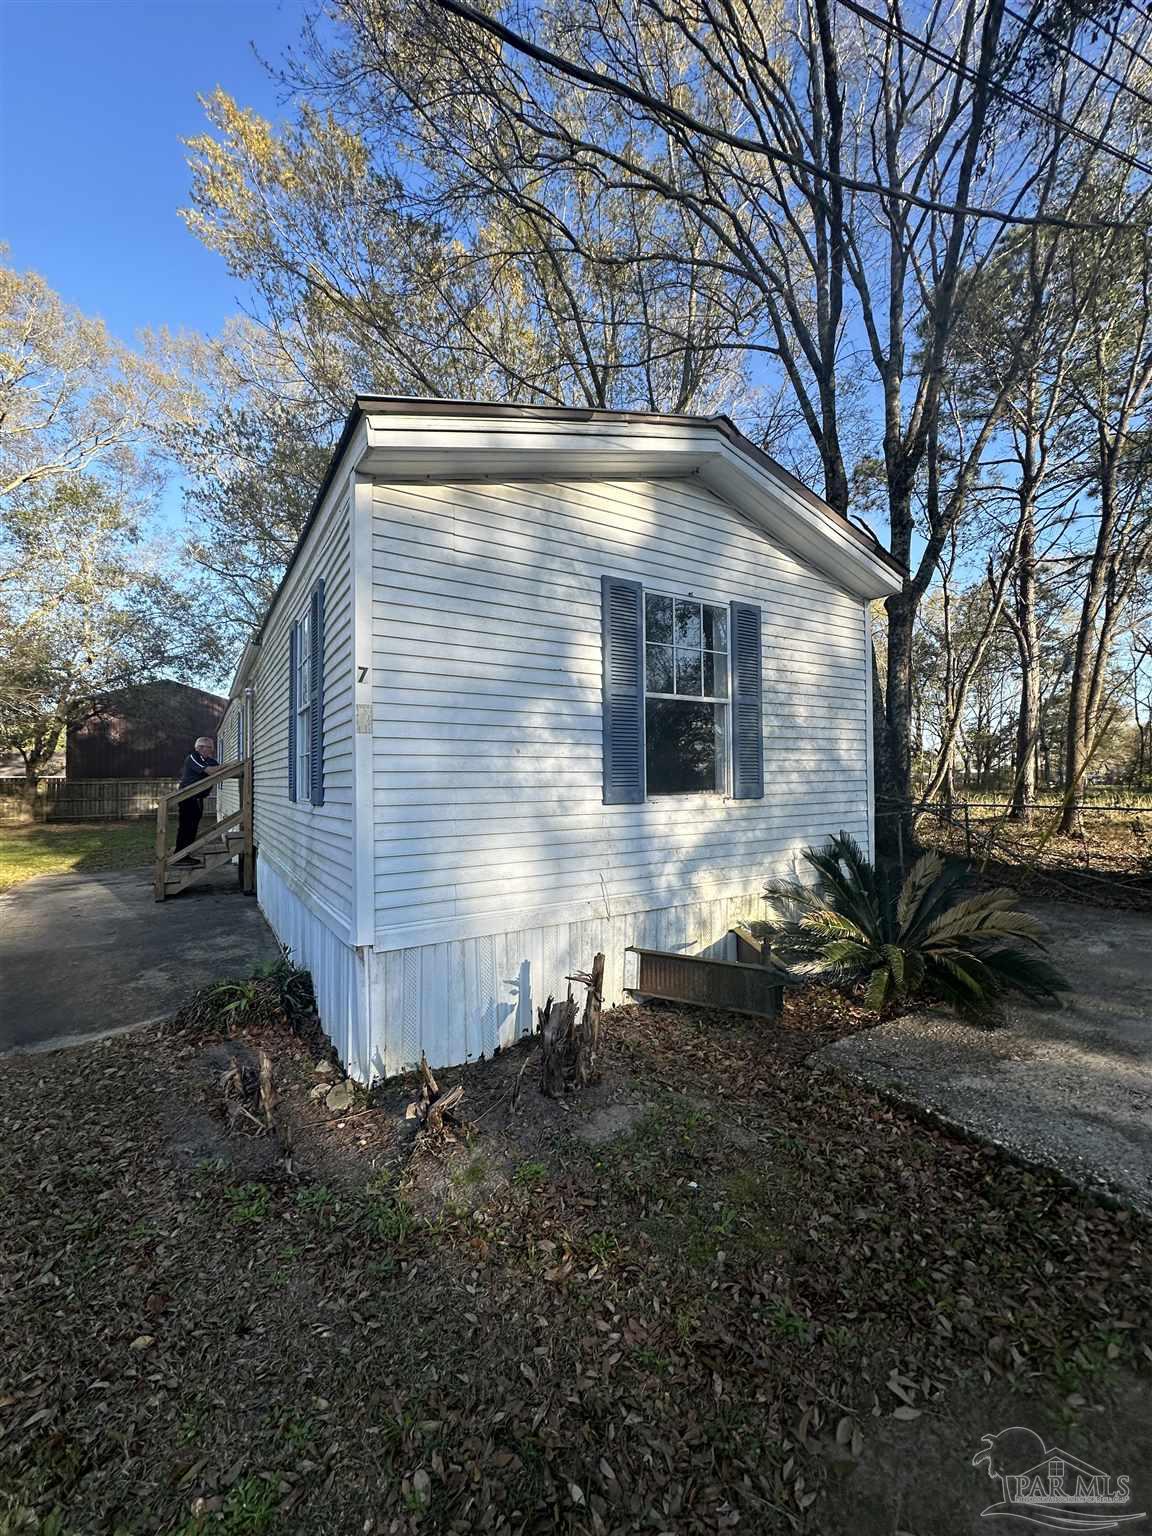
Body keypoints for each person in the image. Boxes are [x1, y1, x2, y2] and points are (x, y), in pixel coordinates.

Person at [173, 736, 220, 862]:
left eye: (212, 747)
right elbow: (211, 771)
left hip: (198, 799)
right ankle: (180, 857)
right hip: (187, 798)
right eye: (209, 747)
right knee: (186, 827)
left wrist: (223, 768)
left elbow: (218, 770)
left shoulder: (211, 761)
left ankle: (185, 855)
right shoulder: (193, 757)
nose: (212, 750)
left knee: (193, 828)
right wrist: (225, 766)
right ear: (199, 748)